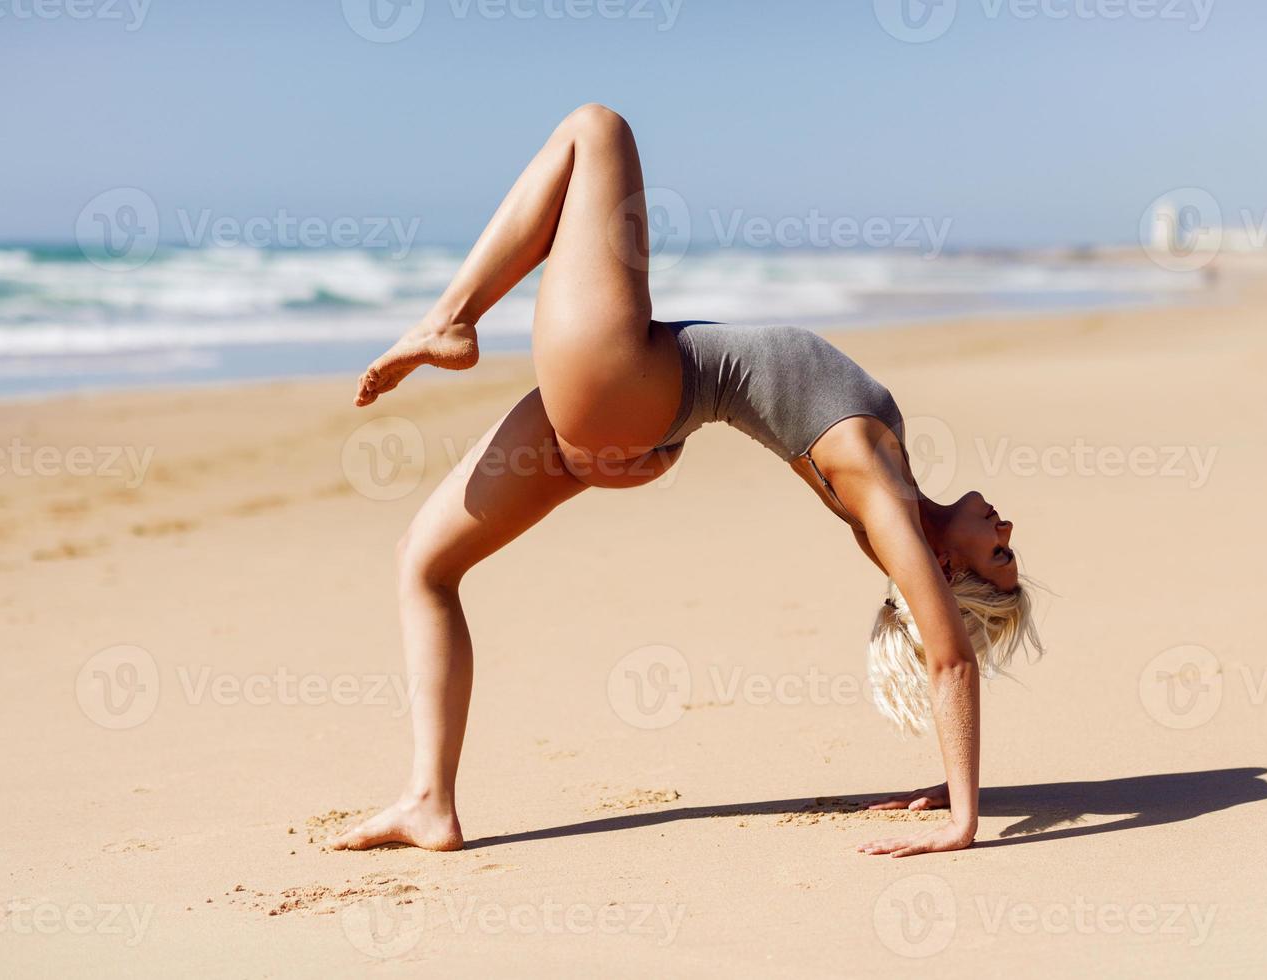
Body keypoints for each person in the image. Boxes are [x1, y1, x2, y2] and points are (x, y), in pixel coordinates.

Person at [332, 104, 1042, 858]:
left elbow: (949, 658)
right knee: (424, 563)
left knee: (595, 131)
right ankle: (428, 802)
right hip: (637, 415)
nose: (1005, 530)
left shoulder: (881, 492)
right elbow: (939, 638)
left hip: (626, 386)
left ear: (943, 567)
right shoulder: (889, 501)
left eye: (995, 555)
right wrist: (948, 776)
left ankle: (449, 319)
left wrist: (960, 819)